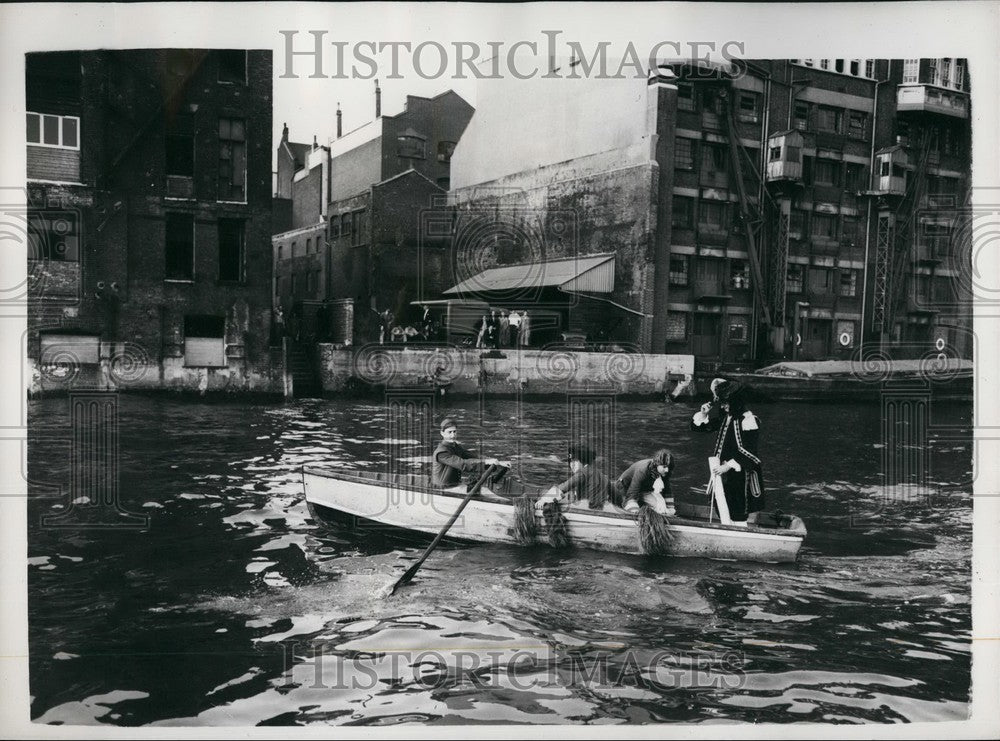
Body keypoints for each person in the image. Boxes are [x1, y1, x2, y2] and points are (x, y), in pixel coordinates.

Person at [690, 380, 764, 525]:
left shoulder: (748, 419)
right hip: (722, 471)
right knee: (721, 503)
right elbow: (700, 428)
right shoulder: (726, 417)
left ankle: (740, 532)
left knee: (739, 508)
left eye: (726, 402)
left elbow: (750, 449)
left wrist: (728, 466)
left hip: (739, 473)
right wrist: (703, 414)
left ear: (735, 402)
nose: (723, 406)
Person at [431, 418, 507, 497]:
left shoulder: (455, 447)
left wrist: (498, 462)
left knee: (478, 487)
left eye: (454, 431)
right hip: (443, 489)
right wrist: (487, 462)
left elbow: (473, 455)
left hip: (454, 485)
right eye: (449, 432)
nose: (453, 435)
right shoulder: (441, 452)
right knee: (480, 491)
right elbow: (463, 464)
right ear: (442, 433)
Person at [543, 444, 621, 511]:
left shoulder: (582, 473)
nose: (571, 465)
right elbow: (618, 497)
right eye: (570, 461)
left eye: (574, 461)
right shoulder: (604, 477)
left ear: (583, 460)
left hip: (587, 512)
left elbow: (562, 488)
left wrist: (543, 501)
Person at [616, 449, 674, 514]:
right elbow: (631, 493)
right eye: (664, 467)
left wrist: (670, 509)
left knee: (661, 507)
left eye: (669, 467)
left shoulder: (664, 472)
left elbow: (667, 490)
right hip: (625, 487)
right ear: (657, 464)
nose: (667, 470)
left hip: (644, 489)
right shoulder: (642, 470)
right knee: (632, 508)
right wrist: (633, 508)